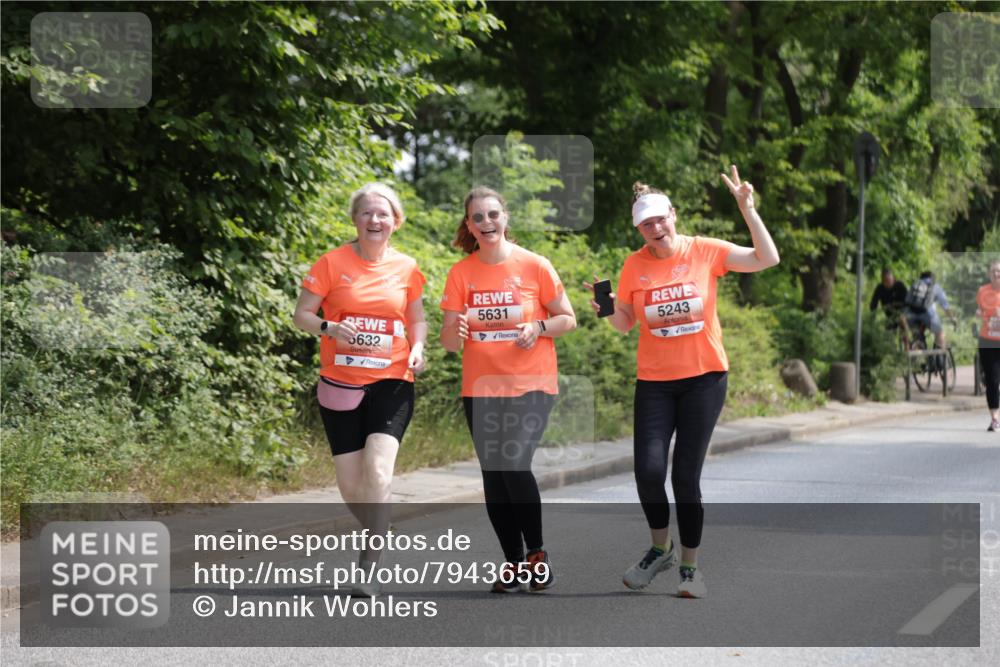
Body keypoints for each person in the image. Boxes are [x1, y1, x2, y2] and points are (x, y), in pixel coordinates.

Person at [586, 166, 779, 599]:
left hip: (704, 379)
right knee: (648, 473)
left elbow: (767, 259)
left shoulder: (705, 251)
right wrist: (606, 306)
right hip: (654, 382)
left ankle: (690, 569)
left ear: (673, 214)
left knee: (685, 477)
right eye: (646, 224)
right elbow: (625, 323)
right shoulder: (634, 265)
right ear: (639, 229)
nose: (656, 228)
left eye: (660, 219)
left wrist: (748, 209)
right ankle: (661, 549)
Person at [293, 182, 427, 595]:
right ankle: (380, 525)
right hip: (340, 382)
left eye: (383, 213)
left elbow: (416, 318)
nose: (375, 219)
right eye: (367, 212)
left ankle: (370, 561)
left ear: (396, 221)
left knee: (378, 469)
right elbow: (302, 315)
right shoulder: (331, 263)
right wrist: (330, 327)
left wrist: (419, 346)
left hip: (392, 379)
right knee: (352, 486)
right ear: (355, 219)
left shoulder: (407, 267)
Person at [440, 186, 576, 593]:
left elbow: (567, 319)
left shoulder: (534, 265)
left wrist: (537, 327)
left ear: (505, 217)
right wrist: (455, 327)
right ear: (469, 225)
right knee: (494, 476)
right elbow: (449, 343)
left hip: (531, 384)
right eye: (477, 217)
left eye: (493, 215)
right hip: (480, 388)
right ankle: (513, 564)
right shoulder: (461, 272)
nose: (486, 223)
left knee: (514, 465)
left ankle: (536, 555)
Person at [903, 271, 957, 351]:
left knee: (911, 333)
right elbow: (945, 306)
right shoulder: (935, 286)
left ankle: (912, 351)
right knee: (940, 333)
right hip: (927, 314)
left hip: (910, 314)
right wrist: (953, 319)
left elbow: (907, 301)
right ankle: (939, 357)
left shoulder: (915, 284)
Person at [976, 259, 1000, 432]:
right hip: (987, 340)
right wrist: (979, 313)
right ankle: (995, 419)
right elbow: (979, 310)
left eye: (999, 271)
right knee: (991, 380)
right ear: (989, 274)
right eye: (994, 271)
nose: (997, 274)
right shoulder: (982, 291)